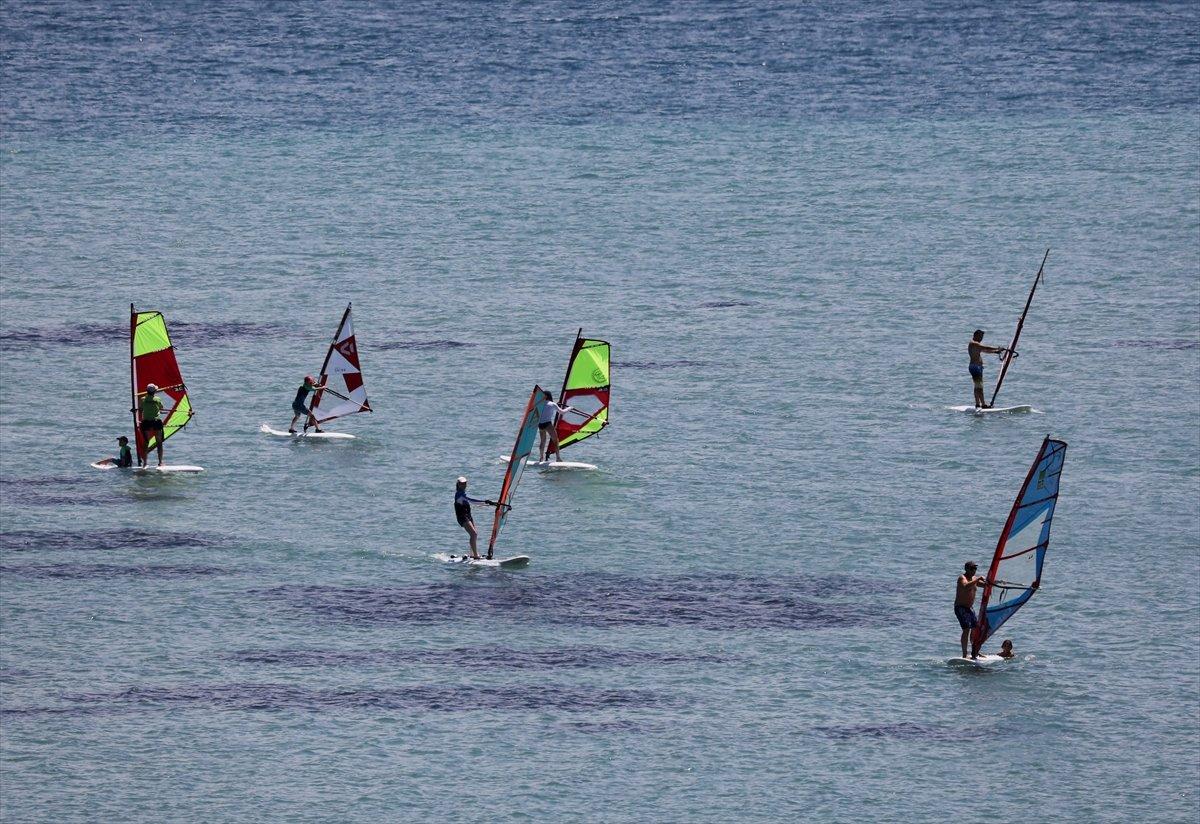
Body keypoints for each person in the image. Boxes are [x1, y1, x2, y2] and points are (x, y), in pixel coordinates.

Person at [453, 476, 504, 560]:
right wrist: (486, 503)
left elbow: (472, 502)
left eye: (465, 483)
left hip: (468, 515)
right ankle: (476, 555)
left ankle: (472, 554)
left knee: (474, 534)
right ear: (458, 484)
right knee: (474, 534)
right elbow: (472, 501)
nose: (464, 485)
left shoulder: (463, 493)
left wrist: (490, 503)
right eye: (462, 483)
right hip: (462, 517)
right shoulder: (459, 495)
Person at [955, 561, 987, 658]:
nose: (974, 571)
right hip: (960, 607)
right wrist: (977, 579)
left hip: (969, 608)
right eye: (972, 568)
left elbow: (985, 585)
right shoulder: (962, 578)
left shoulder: (974, 579)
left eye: (975, 569)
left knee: (975, 629)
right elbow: (965, 586)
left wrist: (995, 582)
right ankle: (965, 654)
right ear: (967, 569)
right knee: (966, 629)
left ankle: (975, 651)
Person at [968, 329, 1007, 409]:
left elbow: (984, 350)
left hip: (977, 367)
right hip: (975, 367)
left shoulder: (976, 345)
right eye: (980, 336)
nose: (981, 338)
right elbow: (985, 347)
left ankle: (977, 404)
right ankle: (983, 405)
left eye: (982, 337)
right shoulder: (973, 343)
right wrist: (997, 348)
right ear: (975, 335)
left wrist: (995, 352)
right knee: (979, 386)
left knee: (977, 386)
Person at [537, 390, 577, 463]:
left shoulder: (540, 404)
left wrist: (556, 405)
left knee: (542, 441)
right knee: (556, 441)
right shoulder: (553, 404)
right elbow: (562, 412)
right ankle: (558, 458)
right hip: (547, 424)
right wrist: (570, 408)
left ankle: (541, 458)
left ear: (545, 396)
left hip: (540, 424)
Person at [138, 383, 166, 466]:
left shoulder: (142, 399)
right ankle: (160, 462)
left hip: (146, 422)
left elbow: (140, 409)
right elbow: (161, 408)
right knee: (159, 443)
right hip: (156, 421)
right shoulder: (157, 399)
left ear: (147, 391)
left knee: (146, 442)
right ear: (155, 392)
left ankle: (145, 463)